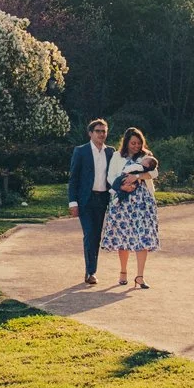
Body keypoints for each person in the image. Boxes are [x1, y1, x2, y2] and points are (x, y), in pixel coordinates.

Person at [100, 128, 160, 288]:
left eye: (139, 143)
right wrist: (122, 187)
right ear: (126, 142)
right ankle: (123, 272)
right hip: (122, 200)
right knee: (123, 235)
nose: (136, 146)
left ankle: (140, 276)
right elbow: (111, 176)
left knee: (143, 236)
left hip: (142, 202)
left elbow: (154, 173)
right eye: (133, 143)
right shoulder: (117, 156)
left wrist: (138, 176)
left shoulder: (146, 156)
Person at [67, 118, 116, 284]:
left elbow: (115, 175)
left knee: (96, 235)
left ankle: (91, 270)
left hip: (102, 199)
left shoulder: (111, 152)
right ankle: (90, 272)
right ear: (90, 133)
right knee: (89, 234)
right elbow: (73, 179)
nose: (101, 134)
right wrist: (73, 202)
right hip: (86, 200)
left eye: (104, 131)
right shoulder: (81, 151)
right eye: (98, 131)